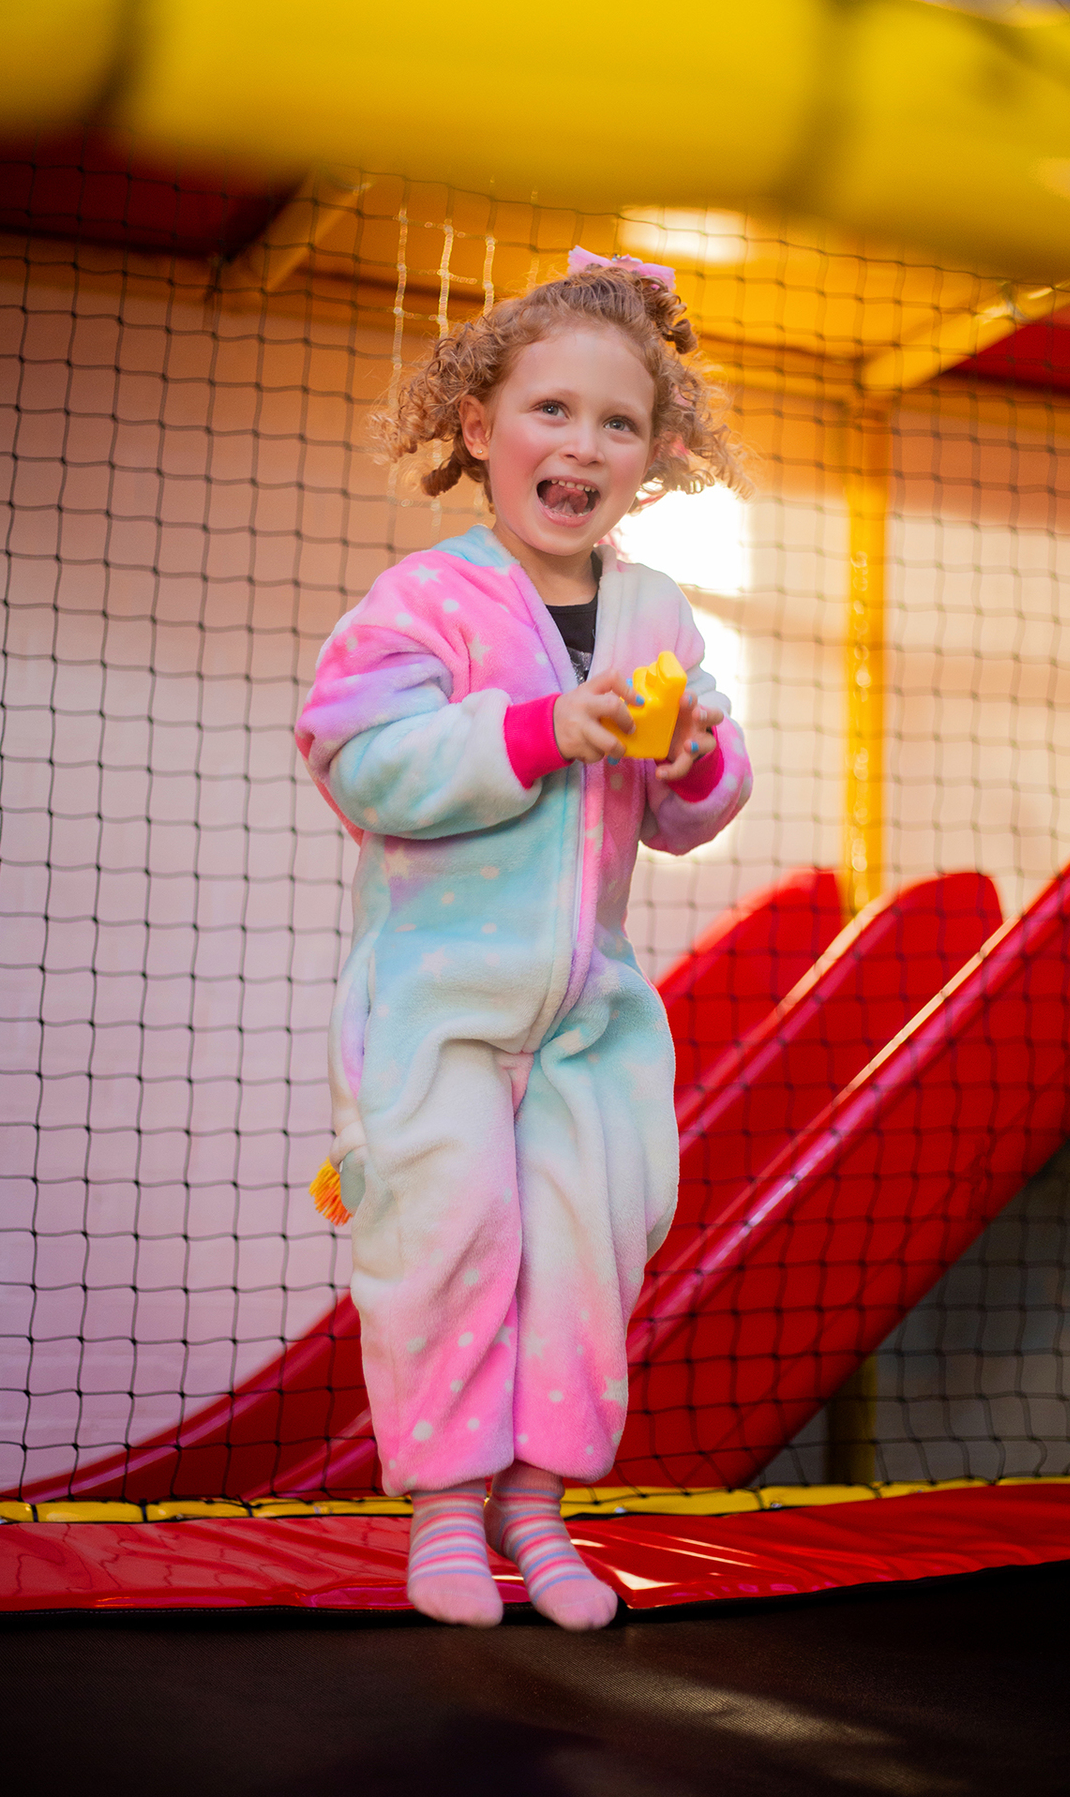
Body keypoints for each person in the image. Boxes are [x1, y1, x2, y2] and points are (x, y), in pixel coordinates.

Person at [296, 249, 752, 1630]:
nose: (583, 445)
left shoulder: (659, 611)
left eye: (619, 424)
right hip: (437, 1005)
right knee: (444, 1235)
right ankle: (445, 1512)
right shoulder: (426, 601)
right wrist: (545, 727)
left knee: (586, 1243)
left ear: (658, 456)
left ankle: (540, 1512)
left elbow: (695, 812)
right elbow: (360, 758)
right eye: (551, 411)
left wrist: (696, 756)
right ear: (480, 426)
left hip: (590, 1016)